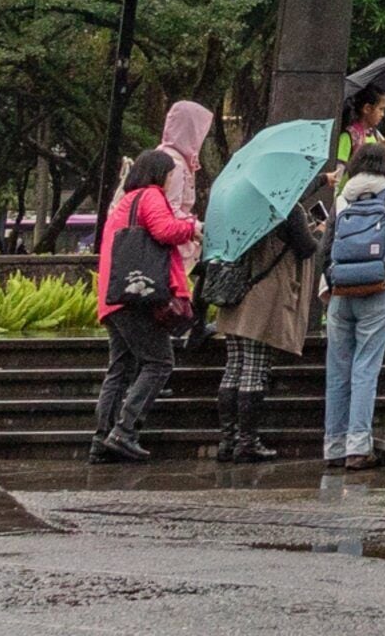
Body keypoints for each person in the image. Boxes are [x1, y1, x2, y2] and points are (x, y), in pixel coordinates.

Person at [90, 147, 199, 462]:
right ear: (158, 174)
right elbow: (165, 230)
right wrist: (193, 228)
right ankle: (124, 431)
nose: (169, 181)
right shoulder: (150, 196)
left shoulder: (125, 202)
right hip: (137, 295)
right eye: (168, 175)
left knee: (120, 368)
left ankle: (102, 439)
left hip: (114, 297)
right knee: (159, 362)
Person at [206, 175, 322, 464]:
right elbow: (307, 248)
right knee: (254, 368)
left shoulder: (239, 208)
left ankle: (228, 440)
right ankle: (247, 442)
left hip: (234, 294)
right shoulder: (286, 207)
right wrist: (317, 229)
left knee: (234, 365)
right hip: (264, 294)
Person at [317, 141, 385, 472]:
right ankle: (358, 447)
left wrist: (333, 283)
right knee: (365, 367)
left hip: (341, 292)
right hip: (378, 288)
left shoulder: (342, 197)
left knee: (337, 370)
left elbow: (326, 248)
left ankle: (334, 446)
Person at [159, 100, 216, 217]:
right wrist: (196, 226)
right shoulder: (175, 164)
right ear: (191, 130)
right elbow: (170, 212)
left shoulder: (162, 153)